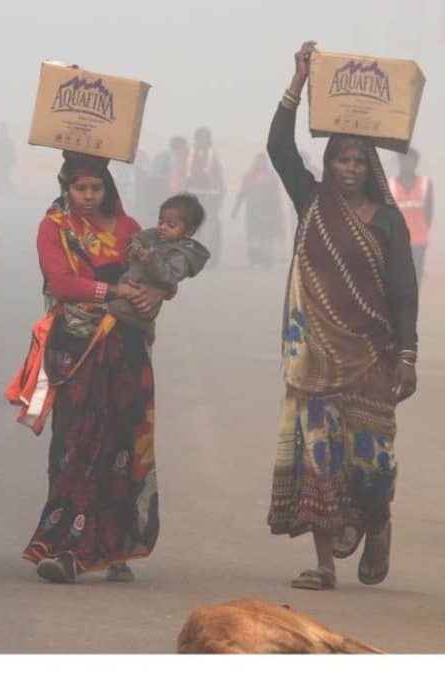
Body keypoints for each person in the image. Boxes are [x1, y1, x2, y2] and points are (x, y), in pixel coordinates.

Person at [266, 41, 418, 591]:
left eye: (358, 161)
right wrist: (298, 81)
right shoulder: (313, 202)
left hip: (372, 359)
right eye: (340, 160)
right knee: (319, 459)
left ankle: (376, 522)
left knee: (372, 469)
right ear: (327, 165)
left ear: (368, 167)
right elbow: (279, 148)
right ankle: (324, 564)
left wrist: (407, 355)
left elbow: (404, 293)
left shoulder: (388, 223)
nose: (349, 168)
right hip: (314, 359)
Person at [19, 151, 166, 584]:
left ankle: (116, 547)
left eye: (95, 188)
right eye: (79, 188)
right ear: (66, 189)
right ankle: (66, 546)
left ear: (108, 189)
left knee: (124, 441)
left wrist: (153, 295)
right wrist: (115, 289)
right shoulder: (55, 229)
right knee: (76, 442)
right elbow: (62, 283)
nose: (87, 196)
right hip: (77, 350)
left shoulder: (130, 229)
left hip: (127, 350)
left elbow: (160, 275)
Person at [106, 193, 210, 334]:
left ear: (189, 231)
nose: (163, 227)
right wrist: (135, 248)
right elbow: (138, 238)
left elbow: (169, 278)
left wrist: (152, 260)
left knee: (114, 308)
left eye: (171, 225)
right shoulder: (155, 235)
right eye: (160, 222)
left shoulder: (181, 255)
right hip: (128, 284)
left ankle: (145, 326)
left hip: (143, 299)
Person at [231, 152, 285, 269]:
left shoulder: (271, 177)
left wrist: (279, 211)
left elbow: (276, 196)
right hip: (252, 212)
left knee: (266, 237)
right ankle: (254, 259)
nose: (260, 164)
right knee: (253, 237)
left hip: (268, 212)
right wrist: (235, 209)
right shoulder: (249, 177)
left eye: (263, 161)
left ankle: (266, 260)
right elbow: (242, 193)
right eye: (258, 161)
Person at [388, 147, 433, 285]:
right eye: (403, 160)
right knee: (397, 277)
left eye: (410, 160)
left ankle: (412, 305)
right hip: (396, 241)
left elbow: (429, 213)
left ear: (415, 162)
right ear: (399, 161)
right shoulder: (390, 184)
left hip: (419, 240)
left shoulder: (425, 184)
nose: (407, 163)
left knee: (415, 277)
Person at [186, 127, 224, 267]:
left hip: (210, 196)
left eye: (204, 137)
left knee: (209, 227)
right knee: (193, 226)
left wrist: (219, 194)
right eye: (199, 137)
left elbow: (218, 178)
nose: (201, 140)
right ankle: (194, 257)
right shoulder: (190, 154)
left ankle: (207, 257)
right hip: (192, 195)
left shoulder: (213, 156)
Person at [0, 123, 16, 196]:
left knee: (0, 176)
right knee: (4, 176)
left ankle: (0, 190)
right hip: (4, 162)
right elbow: (12, 152)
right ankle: (2, 191)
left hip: (1, 162)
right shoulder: (8, 141)